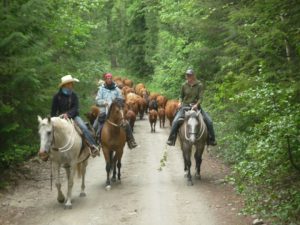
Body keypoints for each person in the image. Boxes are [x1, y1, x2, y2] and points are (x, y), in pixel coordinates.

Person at [51, 75, 100, 157]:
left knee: (83, 127)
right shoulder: (57, 96)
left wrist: (68, 114)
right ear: (64, 85)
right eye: (69, 84)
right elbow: (53, 110)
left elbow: (76, 108)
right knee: (50, 130)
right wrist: (54, 119)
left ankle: (93, 146)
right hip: (60, 117)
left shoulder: (74, 95)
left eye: (71, 84)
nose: (71, 85)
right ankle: (48, 150)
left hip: (73, 116)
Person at [166, 69, 217, 146]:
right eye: (187, 75)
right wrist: (180, 102)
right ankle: (171, 139)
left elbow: (201, 98)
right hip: (185, 106)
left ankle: (211, 139)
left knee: (209, 121)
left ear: (193, 76)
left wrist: (196, 105)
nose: (188, 76)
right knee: (175, 121)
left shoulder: (199, 85)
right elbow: (181, 96)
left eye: (189, 75)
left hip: (196, 107)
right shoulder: (184, 85)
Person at [94, 73, 138, 149]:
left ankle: (131, 141)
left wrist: (116, 102)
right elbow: (97, 100)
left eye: (110, 78)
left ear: (112, 79)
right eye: (108, 78)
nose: (109, 80)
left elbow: (121, 99)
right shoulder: (101, 89)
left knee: (126, 123)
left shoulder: (116, 89)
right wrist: (104, 102)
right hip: (104, 110)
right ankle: (97, 142)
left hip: (115, 111)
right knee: (95, 125)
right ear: (105, 80)